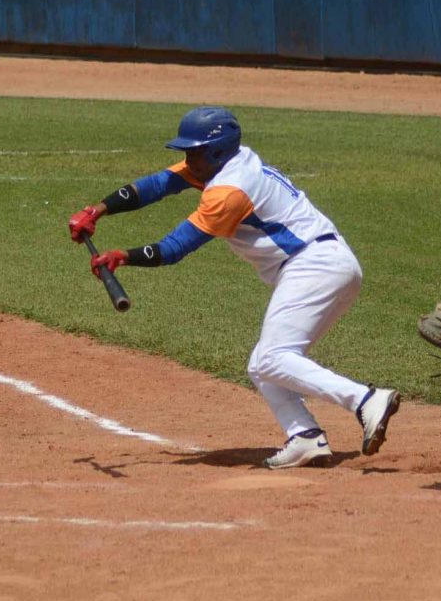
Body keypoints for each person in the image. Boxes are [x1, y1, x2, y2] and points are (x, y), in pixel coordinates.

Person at [68, 106, 401, 469]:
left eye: (192, 151)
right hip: (323, 264)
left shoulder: (230, 190)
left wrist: (122, 256)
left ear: (215, 151)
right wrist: (98, 209)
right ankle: (305, 436)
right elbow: (159, 185)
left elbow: (175, 248)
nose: (187, 158)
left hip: (314, 266)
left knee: (274, 357)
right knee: (262, 363)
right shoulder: (224, 164)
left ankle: (365, 399)